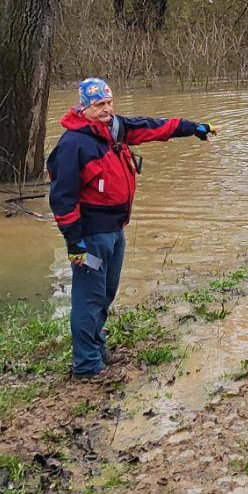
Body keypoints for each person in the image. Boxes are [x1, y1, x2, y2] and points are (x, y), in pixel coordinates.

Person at [46, 77, 213, 379]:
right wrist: (74, 242)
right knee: (89, 298)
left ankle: (97, 350)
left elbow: (152, 127)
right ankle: (87, 366)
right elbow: (62, 198)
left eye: (109, 102)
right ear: (83, 108)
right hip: (90, 237)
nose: (106, 109)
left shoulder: (115, 129)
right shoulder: (72, 145)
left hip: (115, 230)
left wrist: (193, 128)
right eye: (99, 105)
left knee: (105, 293)